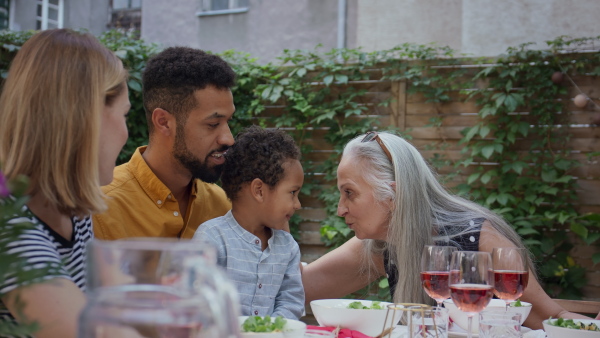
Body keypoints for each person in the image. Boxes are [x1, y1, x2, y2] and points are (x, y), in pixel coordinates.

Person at [301, 131, 591, 330]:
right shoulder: (383, 244)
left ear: (393, 197)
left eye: (349, 193)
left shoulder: (479, 240)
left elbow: (553, 319)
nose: (340, 209)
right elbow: (301, 289)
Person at [0, 29, 129, 338]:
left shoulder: (72, 212)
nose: (126, 131)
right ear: (88, 117)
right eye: (125, 114)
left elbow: (119, 295)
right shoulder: (10, 226)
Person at [93, 46, 236, 240]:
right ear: (164, 122)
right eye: (213, 124)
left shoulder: (222, 205)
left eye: (228, 122)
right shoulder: (100, 208)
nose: (228, 138)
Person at [193, 126, 305, 320]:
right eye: (293, 193)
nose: (298, 204)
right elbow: (197, 301)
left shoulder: (287, 247)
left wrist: (271, 330)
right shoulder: (211, 238)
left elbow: (291, 301)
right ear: (259, 190)